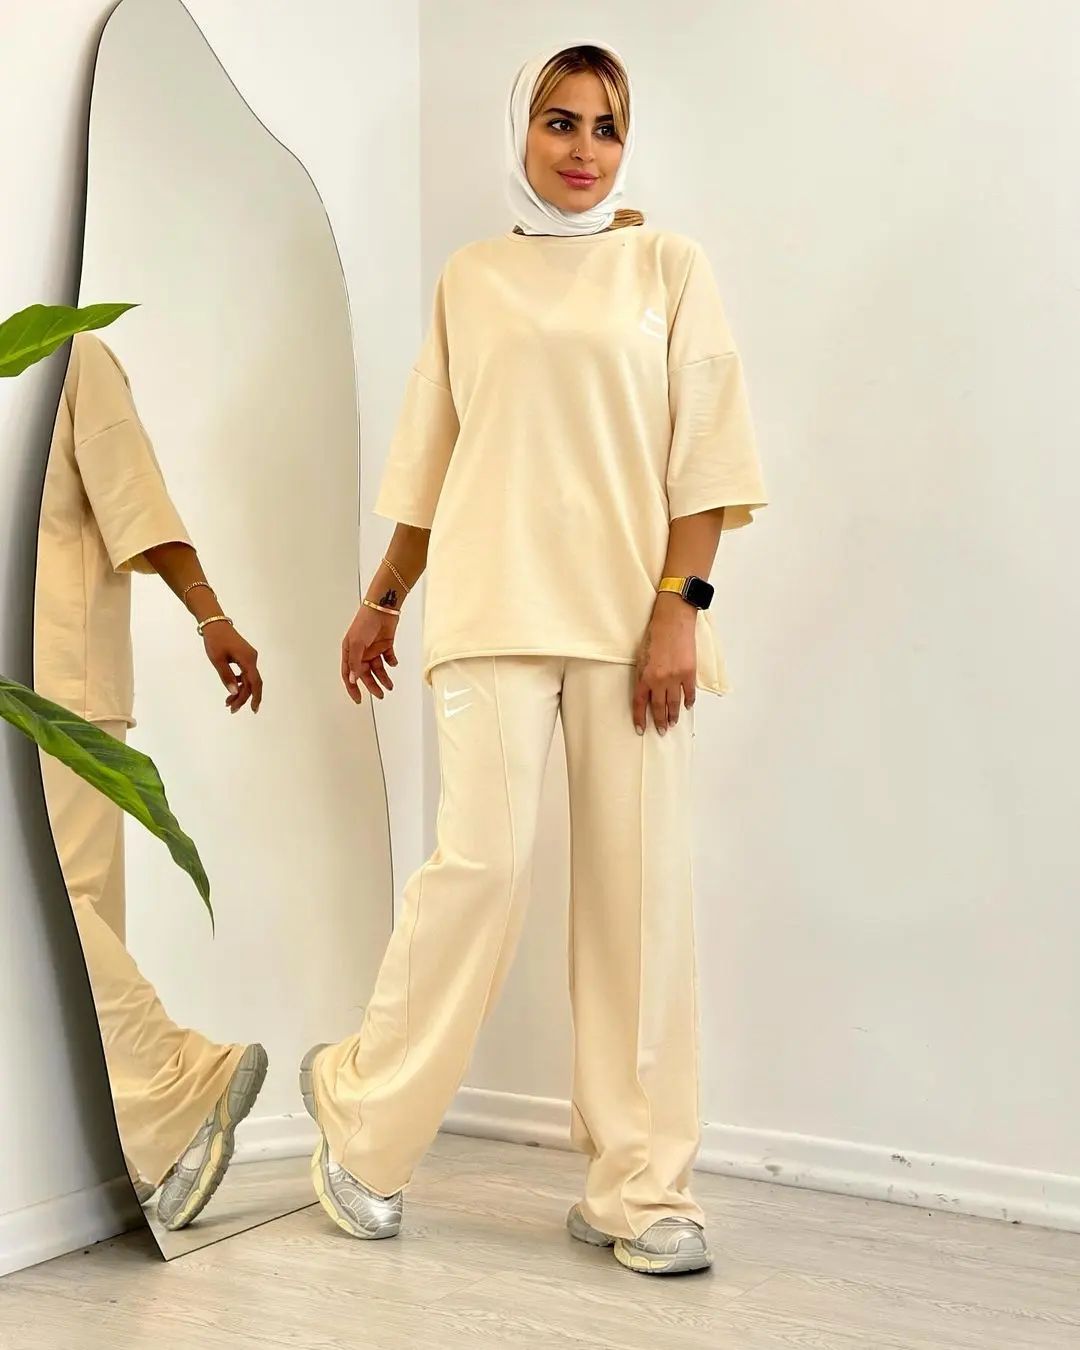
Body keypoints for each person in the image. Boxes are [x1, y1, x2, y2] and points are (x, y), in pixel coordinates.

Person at [300, 37, 767, 1277]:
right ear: (520, 131)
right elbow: (434, 458)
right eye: (560, 121)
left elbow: (707, 456)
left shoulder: (668, 266)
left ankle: (642, 1189)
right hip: (490, 612)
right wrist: (382, 599)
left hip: (632, 626)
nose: (583, 149)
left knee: (638, 902)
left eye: (607, 126)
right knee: (482, 868)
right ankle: (362, 1122)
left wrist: (680, 607)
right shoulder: (472, 278)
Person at [35, 332, 268, 1230]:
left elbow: (137, 499)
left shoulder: (69, 355)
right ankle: (138, 1147)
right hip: (33, 686)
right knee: (75, 918)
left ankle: (182, 1082)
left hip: (61, 688)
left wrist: (211, 616)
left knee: (62, 912)